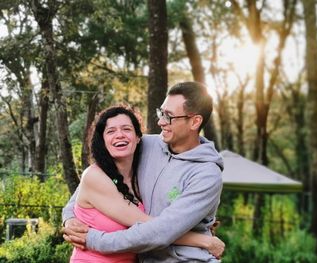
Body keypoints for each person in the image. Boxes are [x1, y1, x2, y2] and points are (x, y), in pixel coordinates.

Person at [62, 81, 224, 262]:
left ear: (195, 121)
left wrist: (93, 239)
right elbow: (91, 183)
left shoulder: (206, 175)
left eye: (169, 116)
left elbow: (161, 232)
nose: (161, 121)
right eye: (161, 112)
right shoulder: (146, 145)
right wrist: (69, 218)